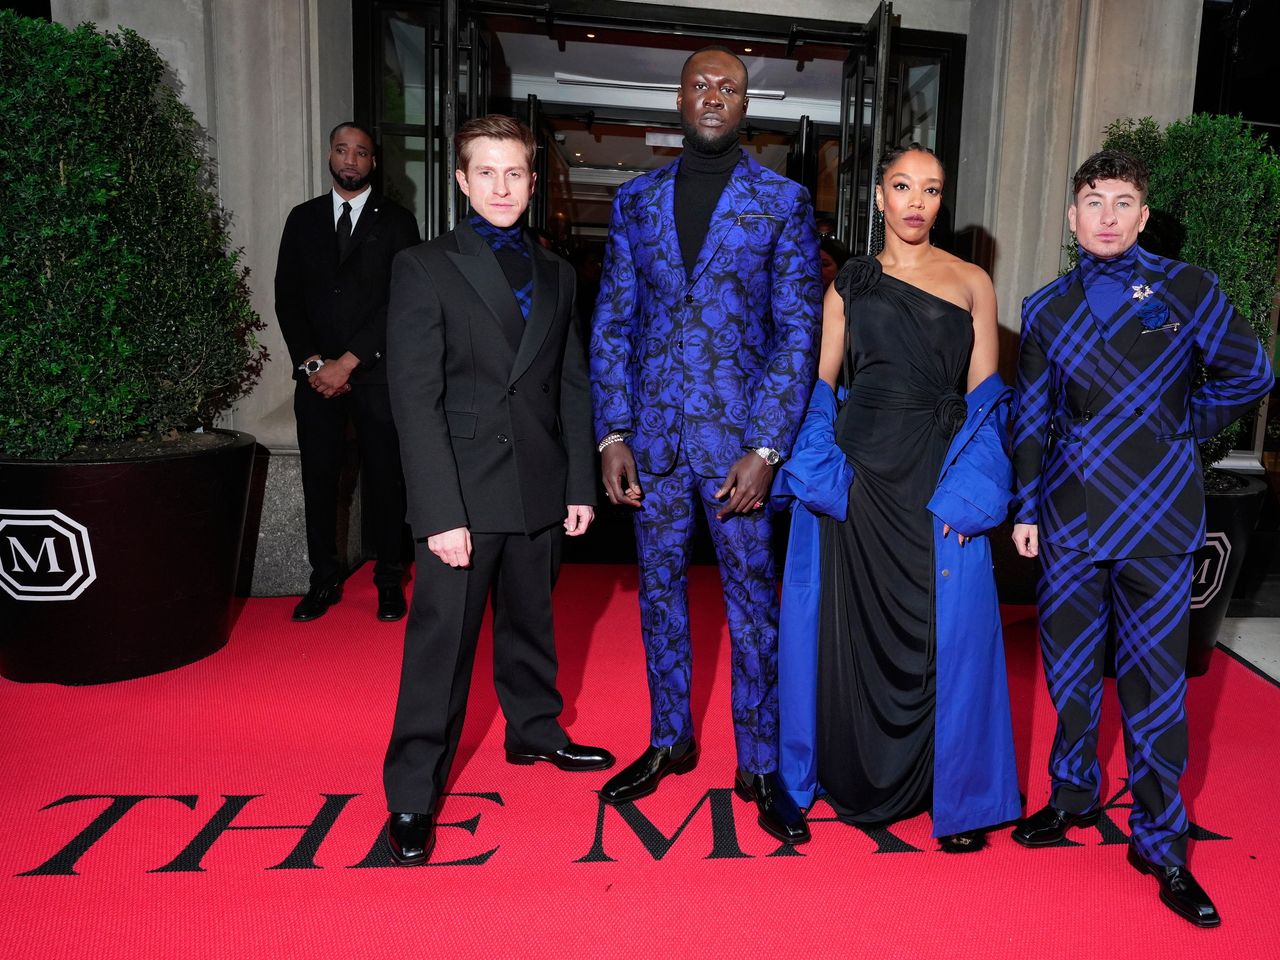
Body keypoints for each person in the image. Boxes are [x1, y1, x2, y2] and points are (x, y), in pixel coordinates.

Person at [1010, 149, 1273, 925]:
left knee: (1156, 686)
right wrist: (1026, 508)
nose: (1109, 216)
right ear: (1072, 216)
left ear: (1143, 215)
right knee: (1068, 671)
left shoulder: (1189, 289)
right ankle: (1072, 793)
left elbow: (1249, 373)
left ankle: (1159, 842)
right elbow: (1029, 415)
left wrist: (1176, 428)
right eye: (1095, 201)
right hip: (1068, 514)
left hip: (1159, 513)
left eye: (1123, 202)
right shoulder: (1046, 305)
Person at [589, 45, 822, 845]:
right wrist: (612, 429)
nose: (714, 95)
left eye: (730, 86)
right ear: (679, 97)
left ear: (745, 102)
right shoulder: (636, 200)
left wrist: (767, 447)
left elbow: (798, 331)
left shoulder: (782, 202)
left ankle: (759, 762)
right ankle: (669, 738)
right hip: (651, 440)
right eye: (701, 84)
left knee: (752, 605)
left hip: (737, 453)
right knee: (658, 596)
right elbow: (614, 321)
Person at [381, 115, 614, 866]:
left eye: (515, 173)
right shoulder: (424, 266)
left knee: (532, 625)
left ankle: (534, 731)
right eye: (486, 172)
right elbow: (413, 398)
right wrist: (440, 513)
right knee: (441, 648)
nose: (502, 186)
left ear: (533, 180)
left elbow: (571, 383)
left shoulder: (555, 271)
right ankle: (413, 790)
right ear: (461, 179)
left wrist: (579, 482)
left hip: (540, 485)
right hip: (462, 492)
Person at [776, 143, 1020, 851]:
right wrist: (819, 475)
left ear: (942, 201)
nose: (917, 202)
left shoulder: (973, 280)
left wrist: (975, 491)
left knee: (945, 633)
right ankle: (853, 775)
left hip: (936, 480)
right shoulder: (848, 286)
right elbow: (822, 387)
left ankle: (954, 791)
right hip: (860, 479)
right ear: (879, 196)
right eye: (903, 186)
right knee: (850, 629)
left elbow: (985, 400)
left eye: (932, 189)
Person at [274, 122, 420, 623]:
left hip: (375, 373)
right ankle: (324, 577)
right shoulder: (303, 219)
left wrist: (350, 361)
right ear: (330, 156)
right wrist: (314, 362)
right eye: (342, 150)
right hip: (315, 375)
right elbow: (287, 299)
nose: (351, 160)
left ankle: (388, 579)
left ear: (373, 162)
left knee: (386, 479)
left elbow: (400, 302)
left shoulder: (398, 222)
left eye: (361, 152)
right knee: (320, 478)